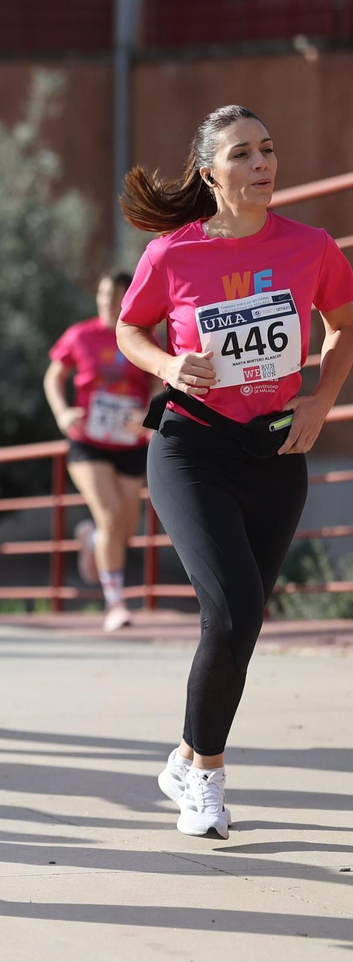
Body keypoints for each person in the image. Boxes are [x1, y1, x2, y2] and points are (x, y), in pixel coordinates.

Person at [117, 104, 353, 839]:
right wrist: (167, 364)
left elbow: (344, 324)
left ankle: (186, 752)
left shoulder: (311, 247)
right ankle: (208, 780)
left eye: (269, 150)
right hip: (191, 447)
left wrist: (322, 398)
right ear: (212, 174)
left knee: (241, 622)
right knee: (231, 609)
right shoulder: (172, 253)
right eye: (244, 154)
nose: (262, 164)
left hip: (277, 451)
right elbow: (130, 327)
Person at [45, 270, 156, 632]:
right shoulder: (80, 335)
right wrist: (63, 413)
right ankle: (115, 603)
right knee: (109, 515)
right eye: (103, 297)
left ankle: (91, 539)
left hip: (129, 443)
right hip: (87, 442)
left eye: (116, 298)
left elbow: (159, 380)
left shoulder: (143, 338)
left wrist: (148, 415)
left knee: (123, 530)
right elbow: (53, 377)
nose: (108, 304)